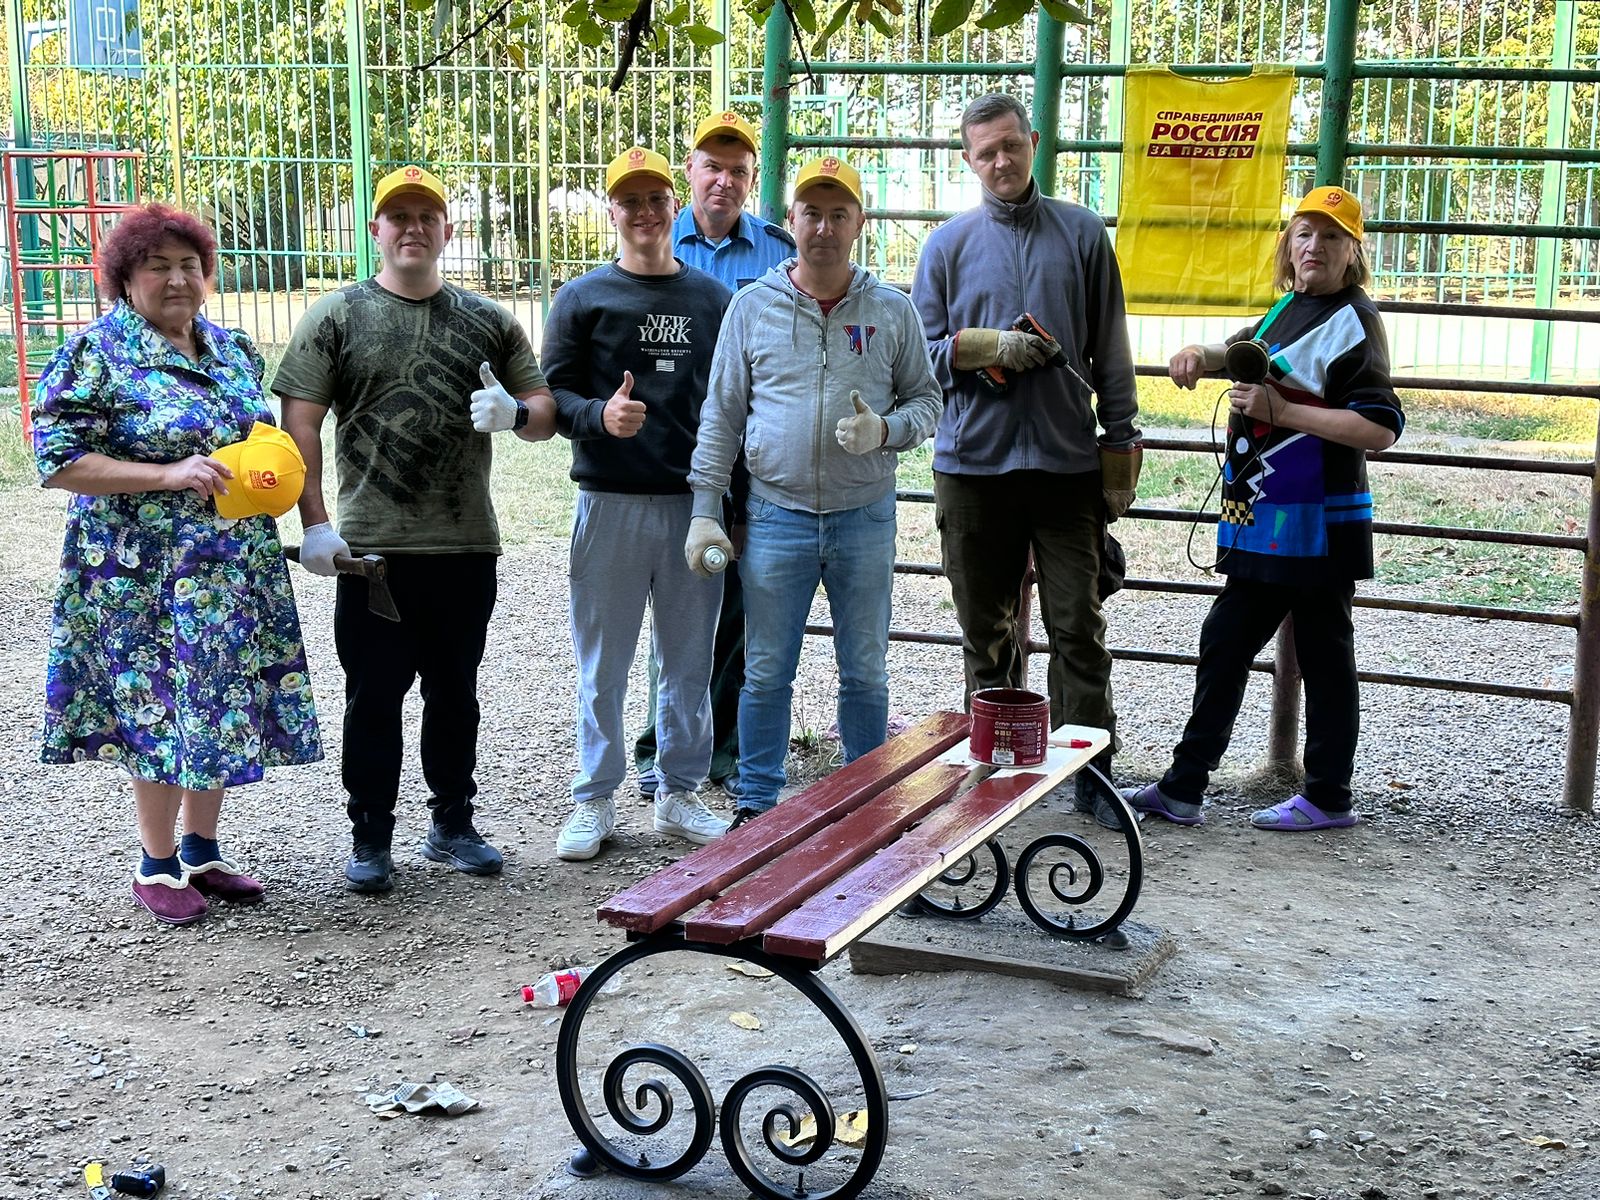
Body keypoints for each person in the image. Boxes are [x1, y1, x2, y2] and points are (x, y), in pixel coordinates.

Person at [31, 202, 323, 926]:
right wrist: (166, 474)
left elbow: (254, 436)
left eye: (189, 265)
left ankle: (202, 852)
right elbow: (58, 461)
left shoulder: (231, 349)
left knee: (218, 698)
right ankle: (155, 863)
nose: (177, 279)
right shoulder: (95, 353)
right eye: (157, 266)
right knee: (157, 703)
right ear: (124, 278)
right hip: (140, 575)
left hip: (230, 565)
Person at [275, 165, 557, 893]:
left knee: (455, 693)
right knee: (373, 697)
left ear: (447, 231)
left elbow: (543, 412)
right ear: (375, 229)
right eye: (398, 216)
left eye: (427, 216)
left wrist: (517, 415)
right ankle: (370, 834)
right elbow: (298, 422)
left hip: (465, 543)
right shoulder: (336, 316)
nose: (412, 228)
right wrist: (315, 523)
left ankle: (453, 823)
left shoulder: (490, 320)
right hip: (372, 553)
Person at [1121, 185, 1404, 831]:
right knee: (1231, 642)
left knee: (1320, 656)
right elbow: (1249, 352)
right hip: (1266, 516)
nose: (1314, 247)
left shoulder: (1355, 320)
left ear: (1353, 252)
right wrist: (1202, 354)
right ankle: (1189, 786)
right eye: (1304, 233)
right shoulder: (1288, 306)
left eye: (1331, 237)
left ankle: (1321, 795)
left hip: (1318, 521)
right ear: (1288, 245)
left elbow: (1380, 426)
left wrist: (1285, 412)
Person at [688, 155, 943, 823]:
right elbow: (722, 413)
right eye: (812, 213)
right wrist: (705, 509)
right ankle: (756, 804)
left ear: (860, 222)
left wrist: (885, 430)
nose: (824, 228)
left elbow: (927, 401)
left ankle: (865, 800)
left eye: (838, 214)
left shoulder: (891, 310)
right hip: (777, 514)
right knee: (767, 669)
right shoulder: (752, 307)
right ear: (790, 220)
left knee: (865, 669)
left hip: (864, 516)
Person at [911, 92, 1141, 824]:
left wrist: (1120, 443)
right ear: (968, 160)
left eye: (1011, 145)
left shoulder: (1081, 233)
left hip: (1067, 466)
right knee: (986, 633)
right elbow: (917, 359)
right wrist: (987, 348)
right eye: (987, 152)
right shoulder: (946, 247)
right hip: (972, 469)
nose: (1001, 161)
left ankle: (1091, 773)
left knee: (1078, 626)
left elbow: (1111, 347)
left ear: (1034, 141)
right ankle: (996, 767)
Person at [543, 146, 734, 861]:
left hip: (692, 505)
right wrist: (599, 415)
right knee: (605, 662)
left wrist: (728, 502)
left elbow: (731, 403)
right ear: (612, 211)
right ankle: (594, 798)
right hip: (609, 503)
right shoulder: (583, 298)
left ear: (673, 206)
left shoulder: (712, 300)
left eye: (656, 199)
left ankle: (678, 792)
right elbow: (552, 396)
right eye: (630, 201)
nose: (645, 212)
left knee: (688, 659)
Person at [631, 110, 797, 804]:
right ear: (689, 172)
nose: (723, 181)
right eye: (711, 167)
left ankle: (722, 749)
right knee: (674, 611)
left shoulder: (779, 253)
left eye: (738, 171)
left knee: (735, 609)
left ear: (752, 179)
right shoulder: (656, 242)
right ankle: (658, 747)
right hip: (671, 452)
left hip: (748, 454)